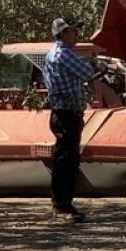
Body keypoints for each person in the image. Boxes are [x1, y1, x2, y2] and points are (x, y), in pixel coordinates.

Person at [41, 17, 100, 223]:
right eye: (73, 31)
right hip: (67, 114)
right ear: (63, 33)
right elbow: (87, 72)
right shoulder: (63, 54)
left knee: (64, 159)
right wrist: (94, 64)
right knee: (67, 160)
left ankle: (63, 204)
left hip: (62, 113)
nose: (76, 35)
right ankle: (61, 206)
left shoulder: (52, 55)